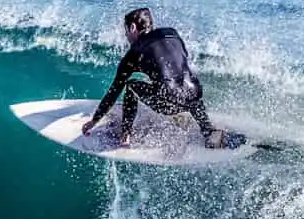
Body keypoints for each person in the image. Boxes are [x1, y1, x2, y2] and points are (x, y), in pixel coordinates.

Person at [81, 8, 238, 149]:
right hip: (195, 94)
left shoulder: (134, 52)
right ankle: (208, 130)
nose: (126, 36)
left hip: (168, 102)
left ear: (133, 28)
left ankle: (126, 135)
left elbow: (114, 91)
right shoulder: (172, 34)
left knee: (130, 86)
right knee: (185, 85)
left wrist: (94, 121)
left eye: (126, 31)